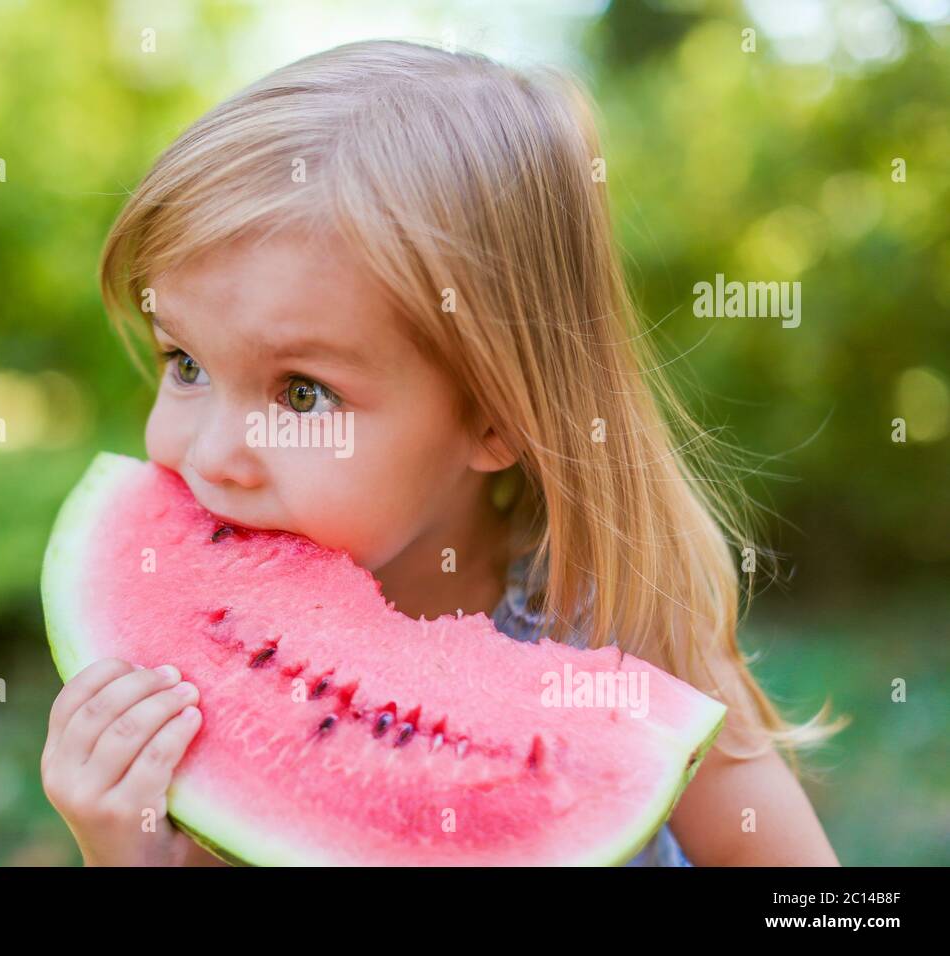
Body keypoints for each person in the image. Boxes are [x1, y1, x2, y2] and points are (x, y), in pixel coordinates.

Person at [41, 39, 846, 867]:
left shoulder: (618, 636)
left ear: (497, 415)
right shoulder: (220, 678)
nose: (211, 456)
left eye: (304, 395)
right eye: (186, 365)